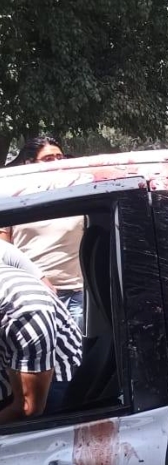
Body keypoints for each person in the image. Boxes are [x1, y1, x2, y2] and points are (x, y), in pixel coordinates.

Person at [1, 137, 85, 329]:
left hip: (77, 294)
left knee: (75, 354)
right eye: (48, 159)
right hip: (34, 297)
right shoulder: (16, 199)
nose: (56, 163)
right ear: (30, 164)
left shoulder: (78, 195)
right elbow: (3, 251)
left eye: (59, 157)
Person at [0, 265, 81, 422]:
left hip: (52, 370)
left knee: (37, 433)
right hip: (9, 351)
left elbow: (29, 407)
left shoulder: (28, 312)